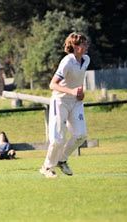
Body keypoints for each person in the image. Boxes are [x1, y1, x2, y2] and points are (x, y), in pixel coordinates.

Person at [40, 32, 90, 178]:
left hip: (76, 102)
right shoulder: (67, 61)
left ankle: (62, 160)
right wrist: (72, 91)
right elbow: (52, 84)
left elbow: (78, 79)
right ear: (75, 46)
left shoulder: (86, 59)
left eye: (86, 43)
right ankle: (47, 167)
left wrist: (81, 92)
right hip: (60, 101)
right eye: (83, 44)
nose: (86, 46)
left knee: (81, 135)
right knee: (57, 138)